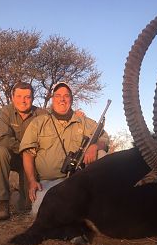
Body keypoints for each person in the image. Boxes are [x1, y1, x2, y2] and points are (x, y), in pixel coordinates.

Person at [19, 82, 109, 215]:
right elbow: (28, 153)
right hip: (48, 183)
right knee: (39, 211)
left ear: (71, 99)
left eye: (66, 96)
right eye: (58, 95)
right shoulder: (39, 122)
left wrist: (95, 146)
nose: (62, 99)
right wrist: (32, 181)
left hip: (78, 180)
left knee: (101, 153)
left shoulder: (84, 122)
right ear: (52, 99)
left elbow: (104, 139)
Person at [0, 82, 46, 221]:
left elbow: (56, 121)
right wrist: (25, 150)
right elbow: (1, 139)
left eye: (27, 97)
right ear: (12, 97)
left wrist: (76, 114)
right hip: (13, 157)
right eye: (19, 96)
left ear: (33, 98)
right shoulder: (5, 111)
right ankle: (2, 204)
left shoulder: (41, 114)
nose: (23, 100)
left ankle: (17, 195)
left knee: (27, 207)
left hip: (31, 162)